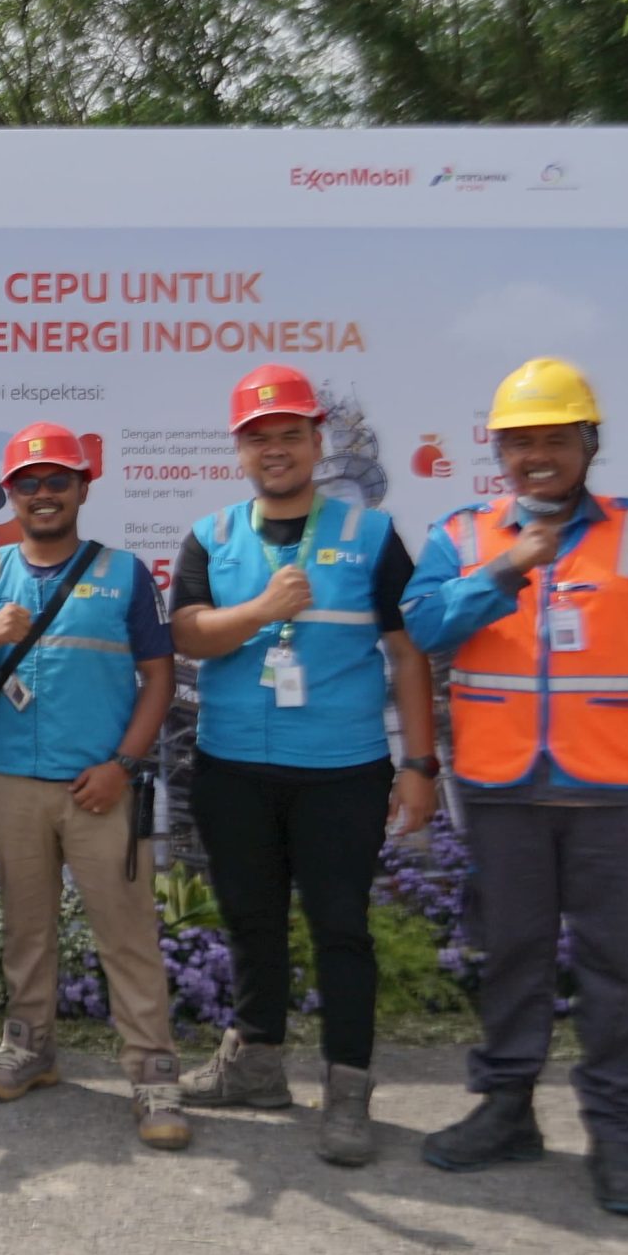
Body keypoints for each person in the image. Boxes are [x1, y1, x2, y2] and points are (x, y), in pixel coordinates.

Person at [402, 358, 628, 1217]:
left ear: (589, 442)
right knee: (510, 955)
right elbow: (424, 625)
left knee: (616, 967)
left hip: (615, 796)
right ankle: (507, 1109)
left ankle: (615, 1135)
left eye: (554, 438)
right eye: (520, 442)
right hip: (505, 791)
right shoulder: (465, 534)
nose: (536, 455)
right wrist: (505, 568)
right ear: (499, 452)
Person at [167, 366, 439, 1165]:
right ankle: (255, 1065)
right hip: (233, 767)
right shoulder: (211, 535)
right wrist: (262, 611)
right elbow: (187, 634)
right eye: (260, 438)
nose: (276, 449)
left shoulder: (371, 536)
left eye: (291, 434)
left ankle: (348, 1088)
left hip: (342, 770)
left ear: (318, 443)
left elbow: (408, 653)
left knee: (340, 928)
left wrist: (420, 763)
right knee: (250, 920)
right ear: (239, 451)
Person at [0, 423, 186, 1147]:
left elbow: (160, 677)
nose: (42, 494)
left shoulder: (125, 573)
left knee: (127, 933)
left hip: (99, 785)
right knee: (26, 926)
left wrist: (123, 766)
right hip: (12, 782)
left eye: (57, 481)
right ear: (9, 494)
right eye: (28, 483)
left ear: (82, 488)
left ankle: (154, 1073)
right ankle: (30, 1047)